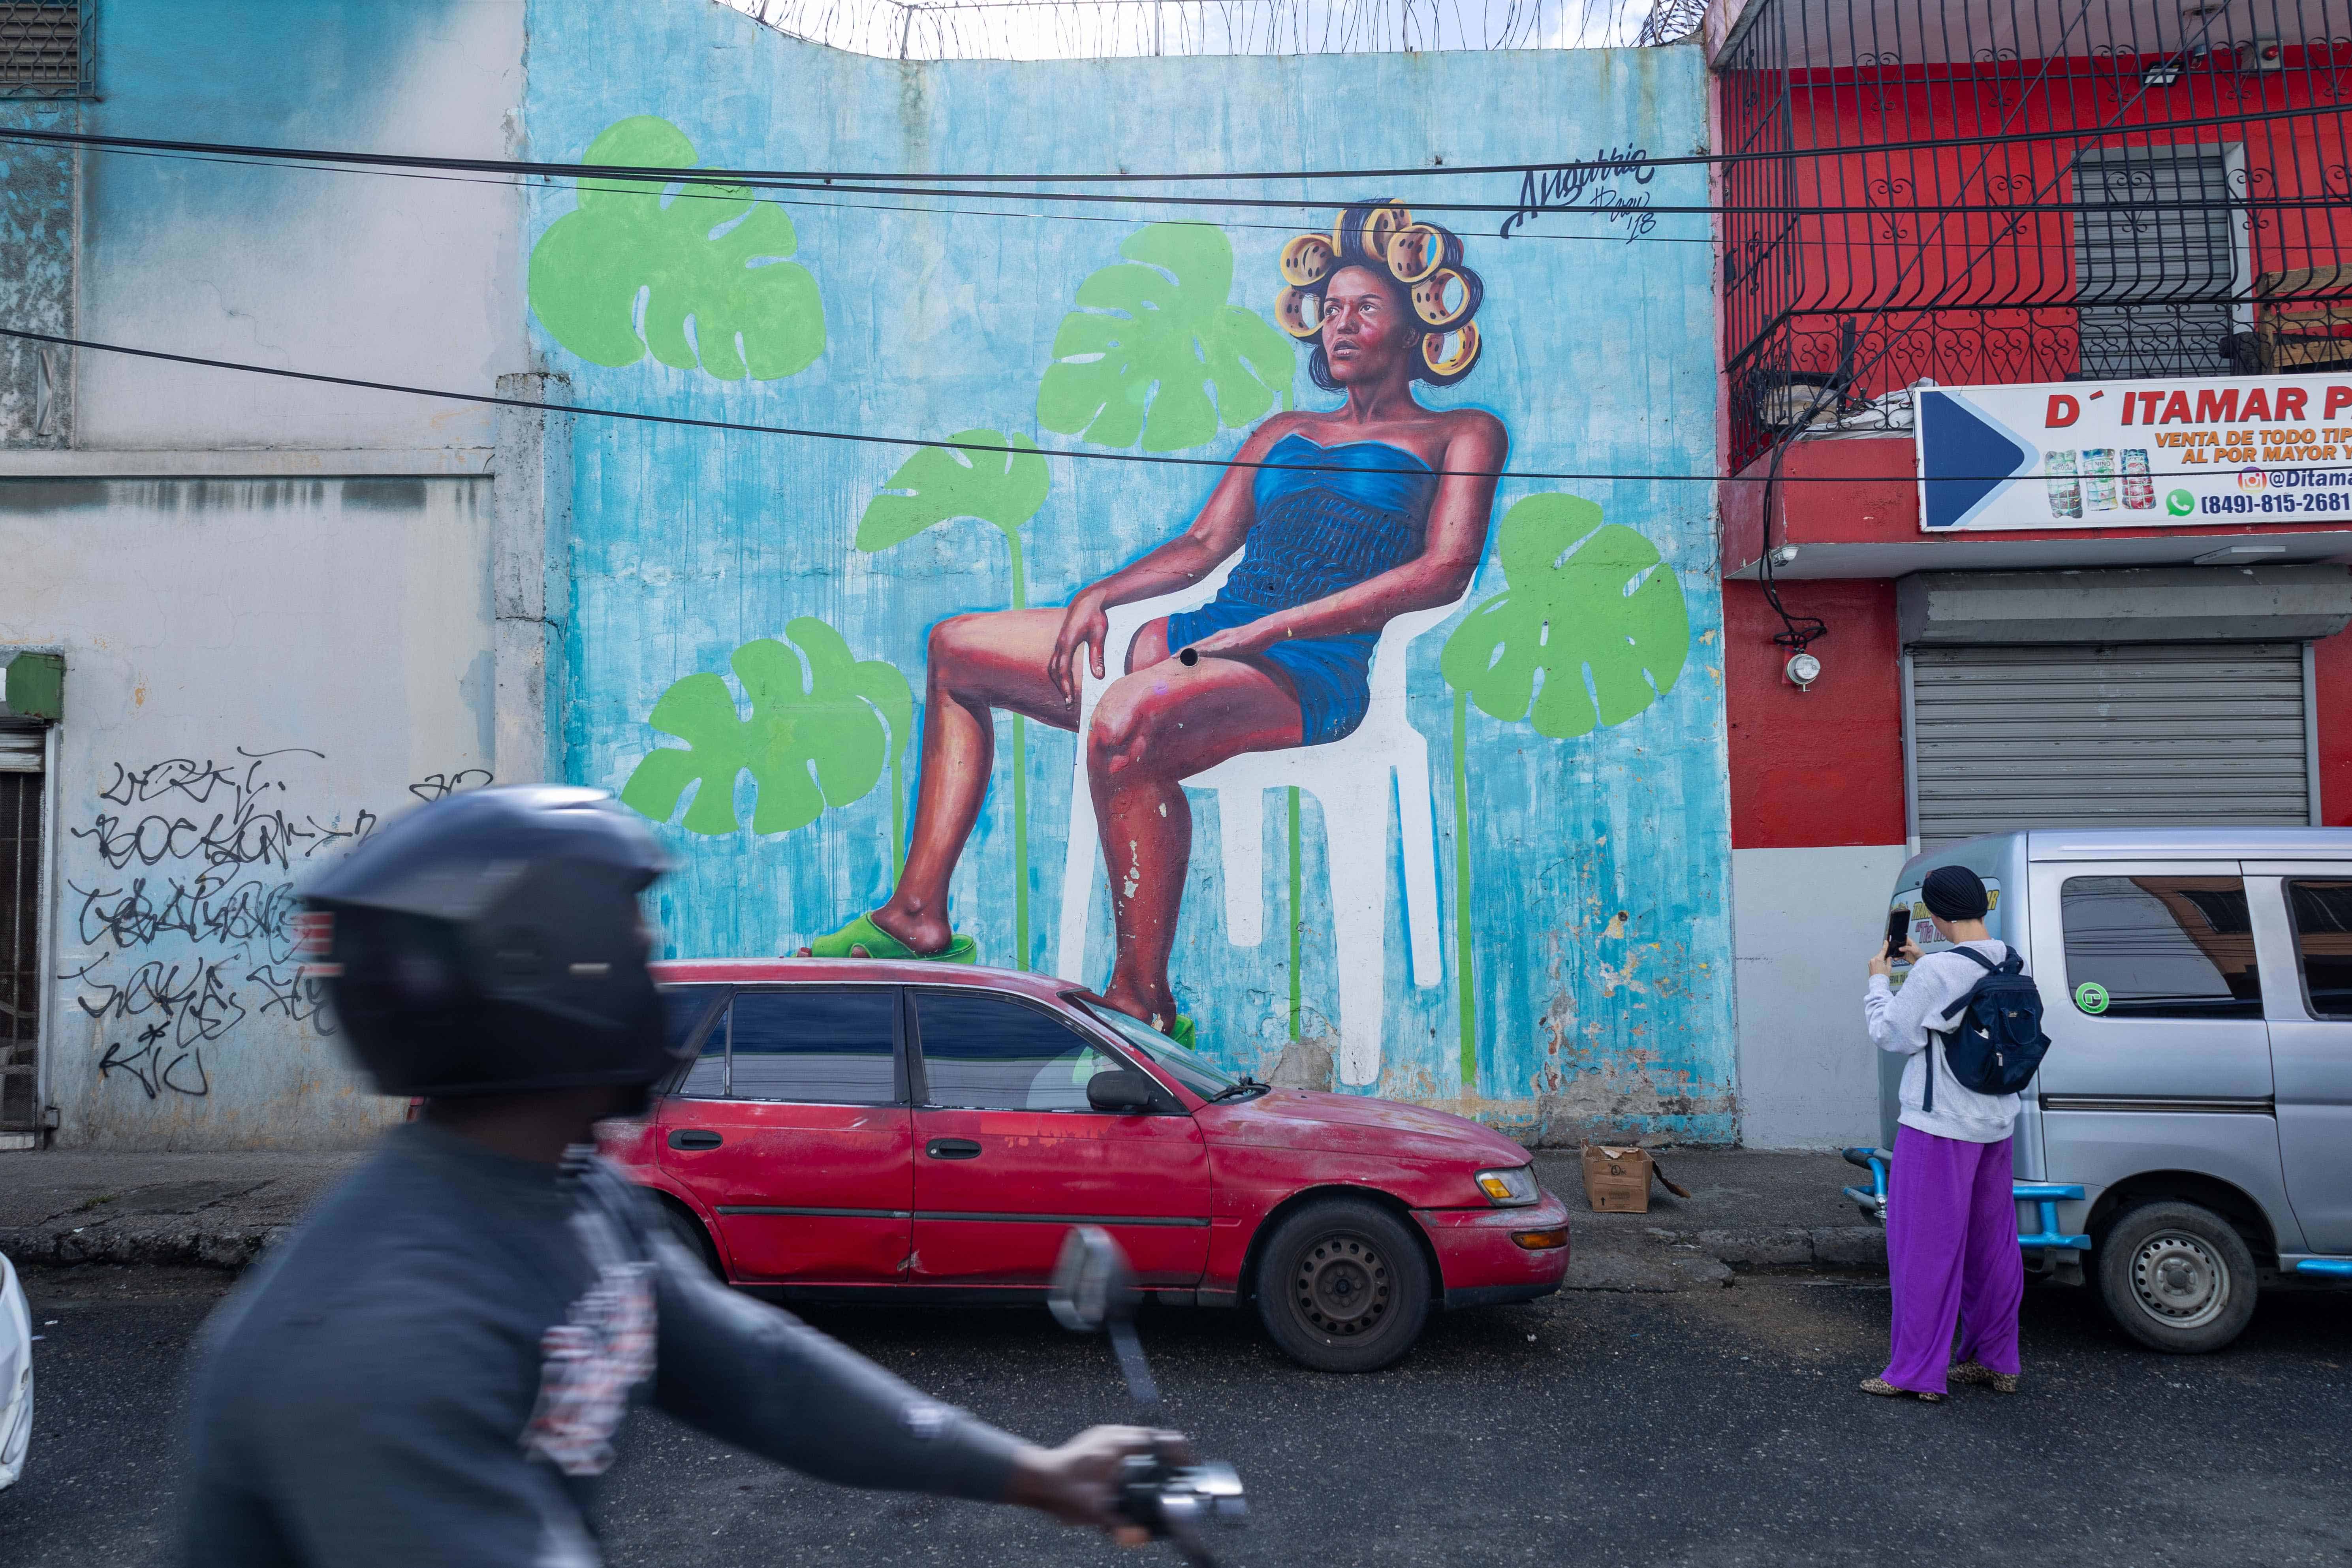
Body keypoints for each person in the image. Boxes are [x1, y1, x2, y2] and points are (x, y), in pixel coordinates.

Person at [177, 785, 1180, 1567]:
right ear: (540, 972)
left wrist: (1038, 1473)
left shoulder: (571, 1193)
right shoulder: (386, 1335)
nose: (656, 975)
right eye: (631, 945)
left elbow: (761, 1372)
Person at [803, 201, 1506, 1049]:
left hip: (1306, 669)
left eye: (1363, 308)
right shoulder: (1283, 431)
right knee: (958, 648)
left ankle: (1142, 1002)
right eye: (1329, 310)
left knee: (1126, 720)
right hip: (1209, 639)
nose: (1340, 325)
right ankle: (917, 912)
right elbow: (1206, 542)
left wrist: (1272, 630)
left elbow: (1443, 570)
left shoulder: (1459, 432)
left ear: (1413, 322)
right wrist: (1099, 592)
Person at [1861, 864, 2025, 1403]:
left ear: (1933, 912)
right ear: (1981, 904)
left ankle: (1915, 1373)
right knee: (1991, 1245)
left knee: (1923, 1249)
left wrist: (1879, 979)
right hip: (1995, 1123)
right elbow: (1963, 996)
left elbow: (1891, 1033)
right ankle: (1995, 1359)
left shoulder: (1937, 975)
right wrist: (1922, 961)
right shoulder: (2009, 957)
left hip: (1939, 1127)